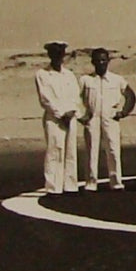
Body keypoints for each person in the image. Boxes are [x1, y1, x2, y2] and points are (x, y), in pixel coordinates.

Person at [79, 47, 136, 191]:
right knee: (92, 150)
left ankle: (116, 182)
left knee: (113, 149)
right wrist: (81, 115)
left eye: (104, 60)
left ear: (108, 61)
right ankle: (91, 182)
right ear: (93, 62)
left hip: (110, 118)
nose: (101, 63)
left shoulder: (117, 80)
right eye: (97, 60)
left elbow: (130, 95)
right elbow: (74, 97)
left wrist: (123, 112)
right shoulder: (85, 80)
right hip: (92, 118)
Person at [34, 40, 82, 193]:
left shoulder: (69, 75)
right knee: (55, 150)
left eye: (60, 53)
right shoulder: (42, 74)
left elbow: (75, 96)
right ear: (49, 55)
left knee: (70, 151)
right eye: (55, 53)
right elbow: (45, 98)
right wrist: (61, 114)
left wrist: (72, 112)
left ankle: (70, 186)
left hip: (70, 117)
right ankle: (53, 187)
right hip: (54, 119)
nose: (58, 56)